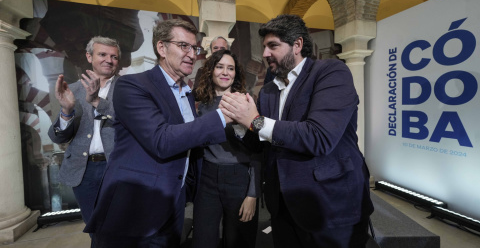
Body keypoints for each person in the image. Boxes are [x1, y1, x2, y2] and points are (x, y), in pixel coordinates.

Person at [220, 14, 374, 248]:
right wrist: (240, 123)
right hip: (282, 207)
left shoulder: (331, 72)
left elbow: (319, 137)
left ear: (298, 45)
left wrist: (255, 121)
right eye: (264, 47)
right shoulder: (269, 91)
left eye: (273, 46)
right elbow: (261, 144)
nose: (265, 54)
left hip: (330, 206)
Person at [85, 19, 231, 248]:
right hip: (136, 211)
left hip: (173, 206)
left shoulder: (188, 93)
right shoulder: (132, 86)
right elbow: (162, 140)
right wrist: (224, 115)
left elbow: (190, 139)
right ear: (161, 48)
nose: (192, 55)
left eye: (195, 48)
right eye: (184, 46)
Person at [48, 36, 121, 247]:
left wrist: (98, 101)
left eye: (114, 56)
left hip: (116, 168)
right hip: (83, 171)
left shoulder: (129, 89)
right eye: (103, 54)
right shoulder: (71, 90)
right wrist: (66, 111)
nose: (109, 60)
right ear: (89, 57)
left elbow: (131, 123)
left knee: (116, 227)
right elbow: (58, 136)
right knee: (96, 228)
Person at [192, 50, 261, 248]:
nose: (225, 72)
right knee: (203, 240)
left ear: (236, 73)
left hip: (239, 178)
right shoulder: (202, 104)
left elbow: (258, 150)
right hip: (207, 178)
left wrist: (253, 194)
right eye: (220, 67)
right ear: (211, 71)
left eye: (230, 68)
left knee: (238, 241)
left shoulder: (246, 102)